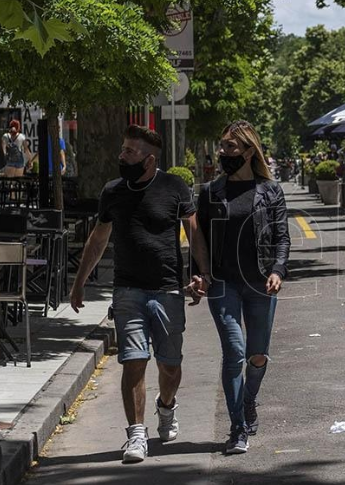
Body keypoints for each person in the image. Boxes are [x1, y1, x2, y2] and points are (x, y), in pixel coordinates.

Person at [69, 125, 210, 463]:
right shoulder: (112, 191)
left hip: (167, 289)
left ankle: (166, 405)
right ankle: (136, 434)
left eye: (129, 152)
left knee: (170, 365)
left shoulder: (174, 187)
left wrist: (202, 273)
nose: (121, 156)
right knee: (133, 361)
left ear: (149, 160)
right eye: (122, 150)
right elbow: (99, 238)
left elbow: (193, 231)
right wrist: (79, 282)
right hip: (127, 289)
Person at [194, 120, 290, 454]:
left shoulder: (270, 191)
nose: (223, 153)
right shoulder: (210, 192)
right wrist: (199, 274)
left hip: (261, 283)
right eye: (222, 146)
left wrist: (278, 269)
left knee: (257, 355)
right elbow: (199, 239)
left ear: (249, 151)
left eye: (231, 147)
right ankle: (237, 429)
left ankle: (249, 401)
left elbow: (281, 237)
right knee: (234, 352)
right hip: (223, 283)